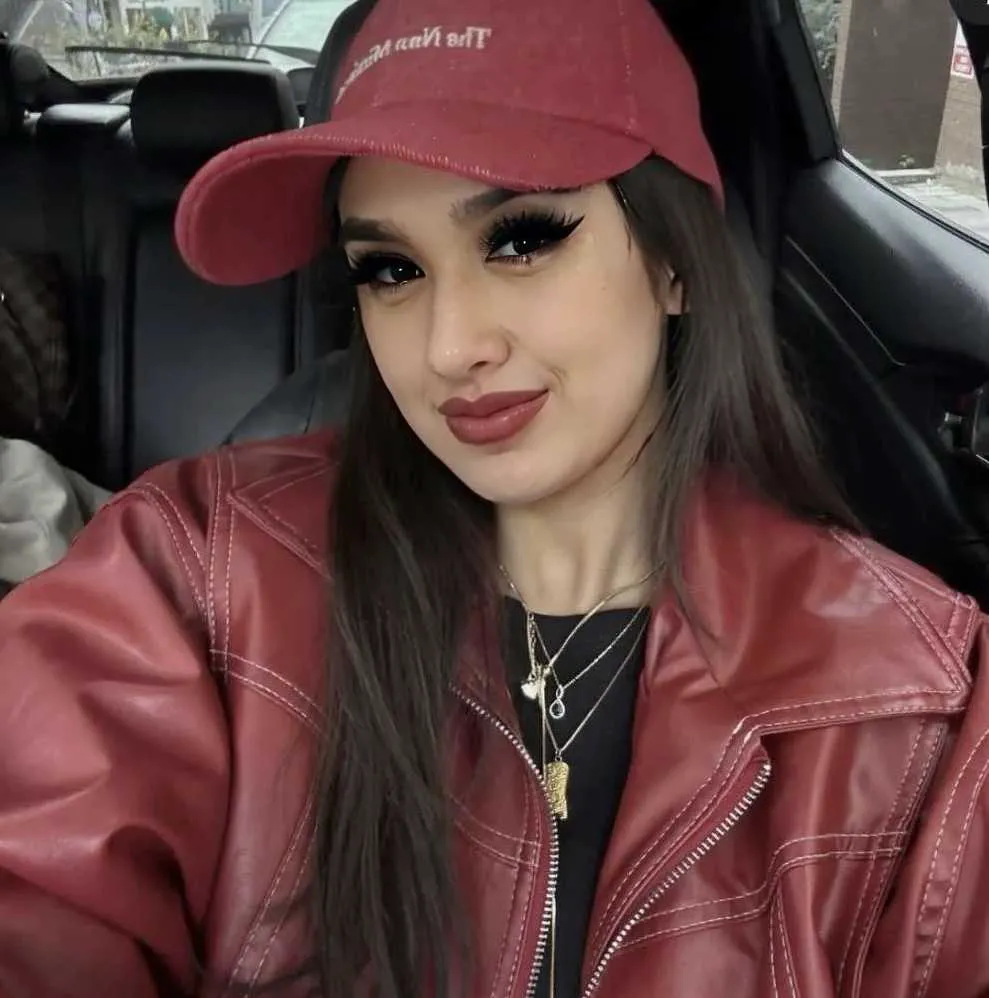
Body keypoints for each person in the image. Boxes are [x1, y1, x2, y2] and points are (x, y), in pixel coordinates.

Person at [1, 0, 988, 996]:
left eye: (520, 240)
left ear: (675, 260)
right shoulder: (196, 573)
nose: (448, 345)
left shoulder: (914, 710)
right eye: (390, 269)